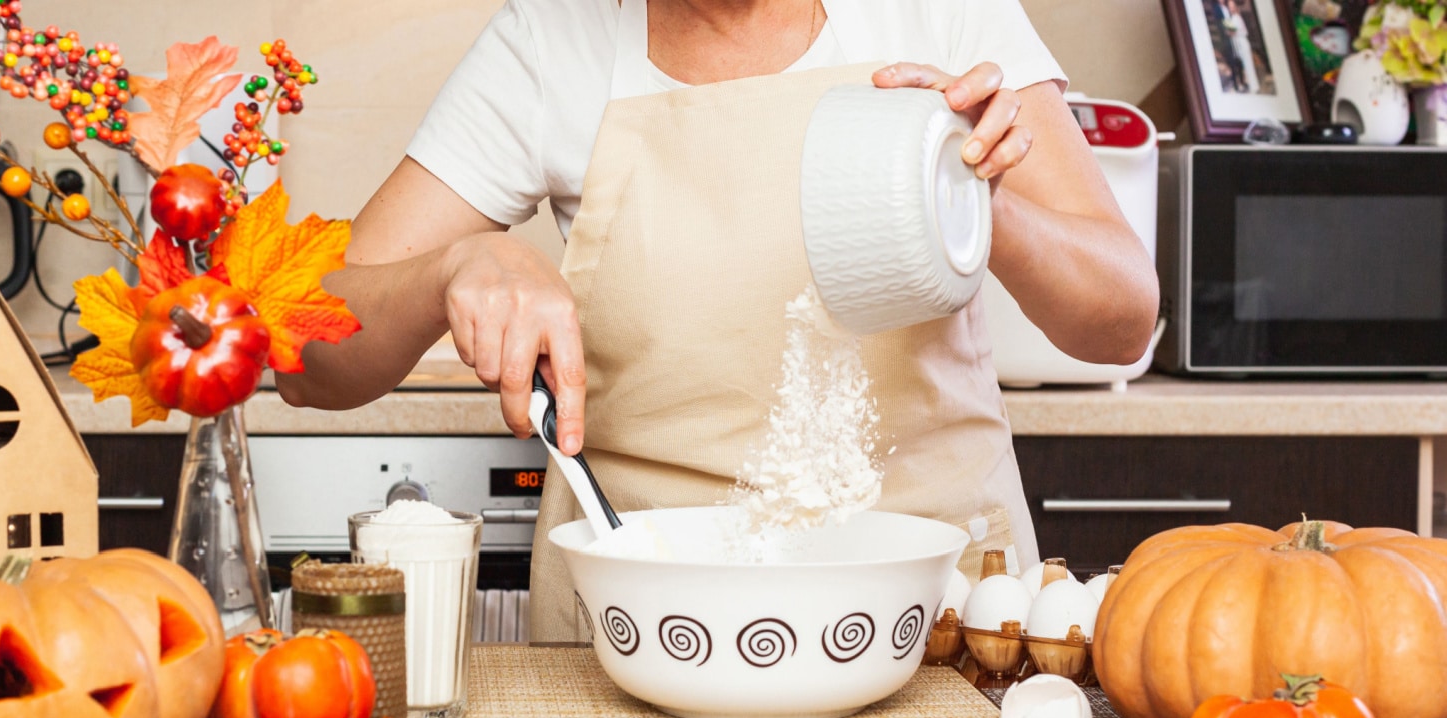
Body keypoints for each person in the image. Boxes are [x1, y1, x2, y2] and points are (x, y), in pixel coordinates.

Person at [279, 0, 1159, 642]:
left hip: (935, 627)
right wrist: (449, 270)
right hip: (650, 634)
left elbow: (1121, 320)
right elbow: (306, 356)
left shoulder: (938, 15)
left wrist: (969, 199)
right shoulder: (550, 45)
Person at [1224, 0, 1260, 93]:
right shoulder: (1233, 18)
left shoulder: (1237, 18)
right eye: (1229, 6)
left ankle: (1254, 87)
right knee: (1245, 66)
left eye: (1232, 6)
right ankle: (1251, 85)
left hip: (1242, 42)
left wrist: (1230, 32)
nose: (1231, 8)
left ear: (1235, 7)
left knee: (1249, 65)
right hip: (1238, 43)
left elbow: (1237, 31)